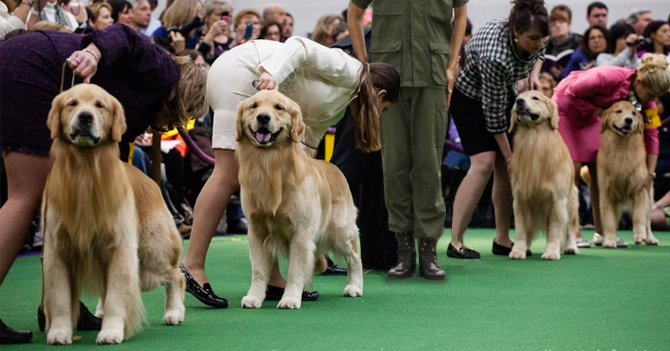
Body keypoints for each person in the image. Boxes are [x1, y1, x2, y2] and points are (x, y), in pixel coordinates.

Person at [0, 23, 207, 344]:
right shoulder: (164, 70)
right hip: (31, 67)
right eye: (181, 114)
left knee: (36, 202)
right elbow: (123, 33)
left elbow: (115, 157)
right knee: (27, 195)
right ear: (179, 98)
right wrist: (93, 53)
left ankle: (57, 308)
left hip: (21, 65)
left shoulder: (138, 110)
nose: (173, 124)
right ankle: (56, 309)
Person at [180, 36, 400, 307]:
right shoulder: (350, 69)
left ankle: (273, 280)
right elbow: (300, 45)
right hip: (243, 74)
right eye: (384, 110)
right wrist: (274, 73)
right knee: (228, 172)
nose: (378, 116)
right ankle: (192, 265)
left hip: (259, 89)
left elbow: (303, 144)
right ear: (379, 96)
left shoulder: (341, 107)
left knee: (270, 200)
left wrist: (303, 200)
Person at [348, 0, 467, 281]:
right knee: (394, 165)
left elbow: (460, 13)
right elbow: (354, 13)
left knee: (428, 165)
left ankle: (428, 252)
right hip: (390, 79)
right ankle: (403, 252)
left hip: (432, 76)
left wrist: (451, 65)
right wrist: (366, 67)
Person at [448, 0, 547, 259]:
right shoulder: (497, 57)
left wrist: (534, 73)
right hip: (469, 98)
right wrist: (510, 156)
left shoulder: (534, 35)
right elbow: (493, 117)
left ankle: (502, 238)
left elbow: (541, 51)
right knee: (485, 162)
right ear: (516, 32)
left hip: (503, 94)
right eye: (533, 38)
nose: (539, 43)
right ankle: (455, 241)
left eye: (542, 37)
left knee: (505, 168)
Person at [553, 53, 670, 247]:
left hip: (595, 115)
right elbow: (571, 92)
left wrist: (650, 173)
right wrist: (602, 113)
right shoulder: (608, 76)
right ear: (639, 80)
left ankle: (603, 232)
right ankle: (573, 233)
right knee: (572, 168)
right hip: (566, 107)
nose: (651, 100)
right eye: (650, 94)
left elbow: (652, 135)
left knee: (597, 170)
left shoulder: (647, 100)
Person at [542, 5, 581, 83]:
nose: (558, 26)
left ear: (569, 23)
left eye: (561, 22)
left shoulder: (580, 43)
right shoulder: (545, 47)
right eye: (553, 24)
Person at [193, 0, 234, 64]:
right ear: (207, 16)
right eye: (218, 15)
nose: (222, 18)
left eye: (225, 15)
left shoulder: (231, 38)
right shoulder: (199, 34)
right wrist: (210, 35)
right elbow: (196, 59)